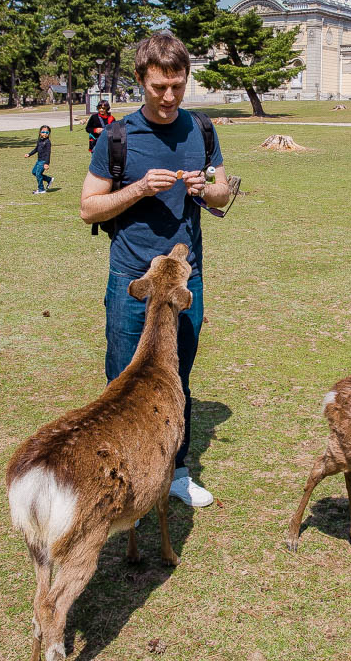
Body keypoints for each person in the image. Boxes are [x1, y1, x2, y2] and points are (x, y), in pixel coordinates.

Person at [80, 32, 233, 508]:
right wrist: (139, 189)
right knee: (124, 382)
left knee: (176, 377)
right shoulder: (118, 136)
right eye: (158, 87)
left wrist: (206, 190)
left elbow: (224, 194)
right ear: (141, 81)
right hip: (132, 280)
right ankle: (121, 481)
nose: (169, 98)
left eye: (178, 86)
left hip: (186, 280)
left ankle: (175, 472)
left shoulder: (201, 130)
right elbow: (88, 208)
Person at [25, 125, 54, 194]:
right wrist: (29, 154)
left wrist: (46, 163)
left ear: (49, 134)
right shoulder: (40, 140)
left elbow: (48, 153)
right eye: (43, 132)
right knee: (34, 172)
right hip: (39, 160)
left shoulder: (47, 142)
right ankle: (49, 179)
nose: (45, 134)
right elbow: (36, 149)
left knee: (38, 174)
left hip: (44, 161)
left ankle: (41, 189)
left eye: (47, 132)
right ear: (40, 132)